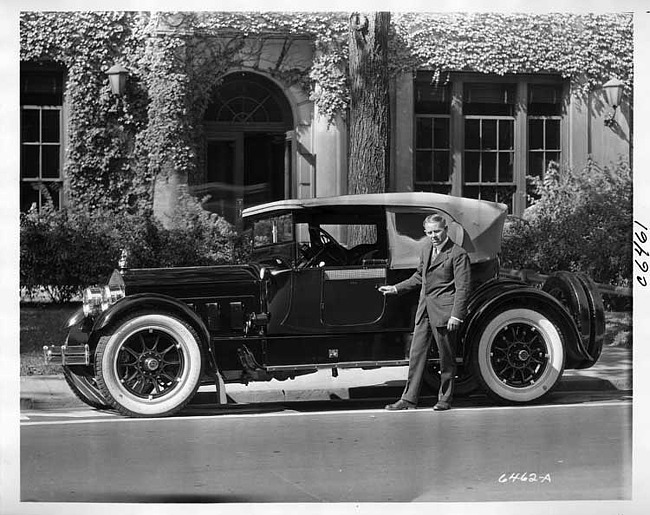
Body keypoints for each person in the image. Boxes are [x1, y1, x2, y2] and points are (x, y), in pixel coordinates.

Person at [379, 214, 470, 411]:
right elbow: (419, 277)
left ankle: (445, 399)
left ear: (446, 229)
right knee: (416, 355)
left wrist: (456, 315)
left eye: (436, 231)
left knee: (446, 358)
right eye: (429, 233)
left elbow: (463, 288)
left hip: (445, 313)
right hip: (424, 312)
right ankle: (408, 399)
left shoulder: (457, 253)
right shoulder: (427, 248)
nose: (433, 236)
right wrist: (395, 288)